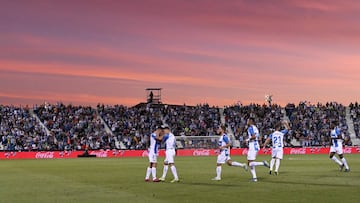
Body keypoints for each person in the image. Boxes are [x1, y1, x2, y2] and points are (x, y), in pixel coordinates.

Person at [246, 117, 270, 182]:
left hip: (253, 145)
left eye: (248, 120)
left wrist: (247, 140)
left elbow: (253, 136)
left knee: (250, 163)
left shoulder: (250, 128)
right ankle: (254, 178)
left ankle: (263, 163)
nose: (247, 122)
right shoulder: (256, 128)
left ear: (251, 121)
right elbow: (259, 138)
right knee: (250, 162)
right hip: (256, 145)